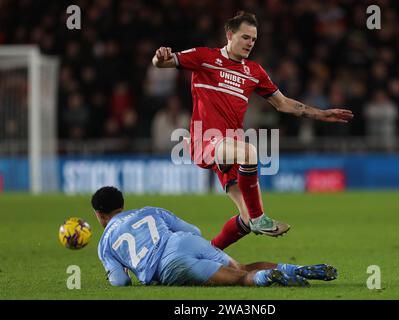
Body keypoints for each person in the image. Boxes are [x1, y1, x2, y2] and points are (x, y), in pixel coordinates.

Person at [152, 11, 354, 250]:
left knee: (245, 220)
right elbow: (162, 62)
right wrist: (159, 56)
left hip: (229, 148)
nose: (250, 43)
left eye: (254, 40)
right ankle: (261, 218)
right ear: (230, 35)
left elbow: (284, 103)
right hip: (205, 142)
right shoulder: (204, 57)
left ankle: (207, 253)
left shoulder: (254, 72)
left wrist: (322, 114)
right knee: (249, 152)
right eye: (245, 37)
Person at [92, 186, 338, 287]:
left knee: (241, 279)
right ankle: (298, 269)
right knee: (241, 267)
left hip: (169, 266)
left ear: (100, 215)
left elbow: (120, 282)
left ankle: (266, 278)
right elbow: (194, 231)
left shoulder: (105, 244)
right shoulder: (150, 211)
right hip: (185, 242)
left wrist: (124, 271)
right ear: (122, 204)